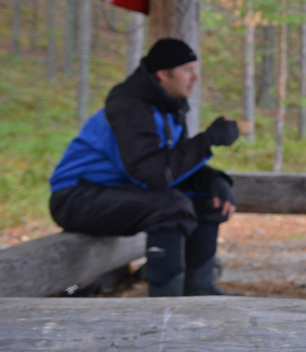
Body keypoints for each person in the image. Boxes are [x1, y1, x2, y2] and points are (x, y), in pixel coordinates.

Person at [49, 38, 241, 297]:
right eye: (187, 70)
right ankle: (163, 307)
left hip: (118, 192)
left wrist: (216, 182)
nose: (195, 78)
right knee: (171, 207)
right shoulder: (129, 105)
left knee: (208, 200)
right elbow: (153, 174)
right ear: (163, 74)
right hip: (76, 197)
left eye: (195, 70)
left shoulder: (168, 108)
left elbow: (175, 166)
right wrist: (207, 140)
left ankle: (200, 291)